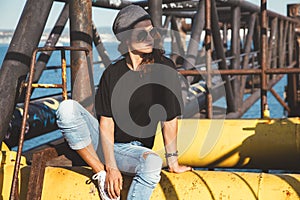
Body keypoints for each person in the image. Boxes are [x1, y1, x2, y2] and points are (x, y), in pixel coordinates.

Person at [56, 5, 192, 200]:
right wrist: (109, 168)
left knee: (152, 162)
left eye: (151, 31)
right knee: (67, 108)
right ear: (126, 38)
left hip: (132, 150)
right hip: (104, 145)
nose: (149, 38)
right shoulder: (112, 73)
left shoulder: (164, 68)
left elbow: (169, 120)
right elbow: (106, 122)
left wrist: (173, 162)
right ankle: (101, 175)